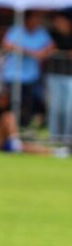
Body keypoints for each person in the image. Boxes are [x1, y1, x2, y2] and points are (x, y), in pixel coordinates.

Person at [0, 10, 54, 128]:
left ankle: (23, 127)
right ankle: (7, 128)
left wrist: (42, 54)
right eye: (35, 19)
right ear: (27, 20)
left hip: (30, 76)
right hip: (13, 75)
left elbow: (51, 47)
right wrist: (29, 52)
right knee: (11, 103)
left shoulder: (41, 32)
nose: (38, 22)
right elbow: (6, 45)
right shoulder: (16, 30)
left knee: (28, 104)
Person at [45, 11, 72, 146]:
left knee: (69, 109)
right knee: (55, 108)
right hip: (54, 74)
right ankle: (55, 137)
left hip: (69, 76)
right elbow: (46, 50)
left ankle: (68, 138)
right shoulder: (52, 34)